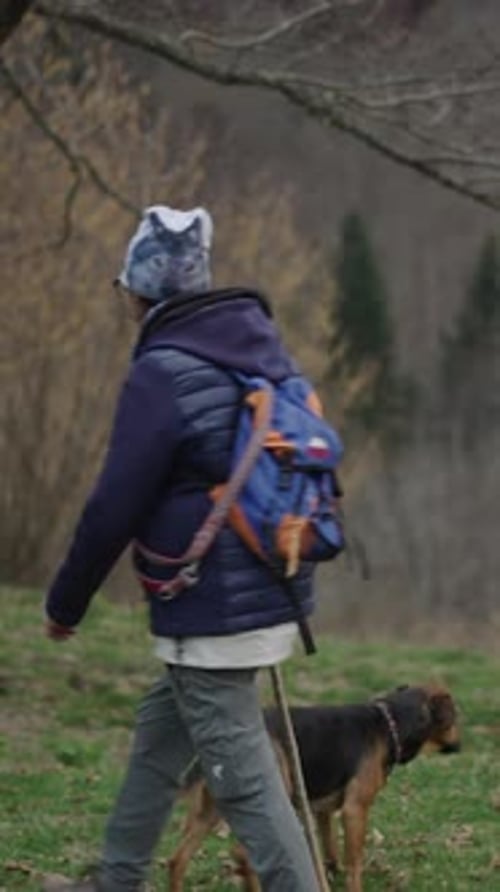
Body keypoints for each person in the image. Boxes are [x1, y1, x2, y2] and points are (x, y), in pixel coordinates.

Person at [43, 205, 321, 892]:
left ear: (139, 291)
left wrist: (65, 604)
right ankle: (116, 879)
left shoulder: (161, 372)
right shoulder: (260, 350)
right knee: (161, 728)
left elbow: (112, 507)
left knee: (245, 780)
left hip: (211, 607)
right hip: (274, 582)